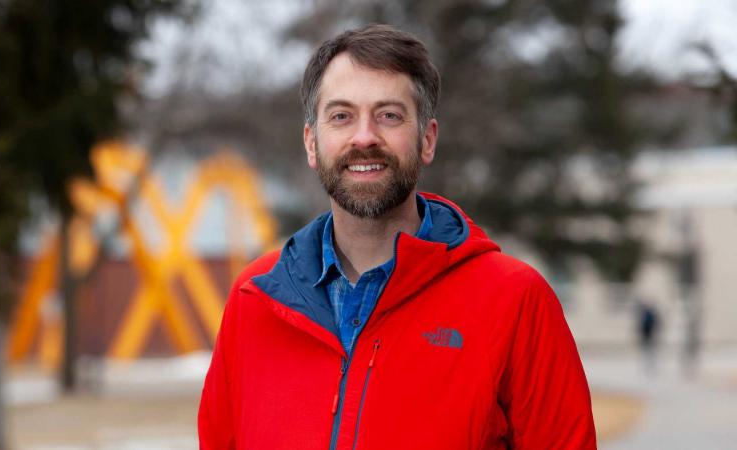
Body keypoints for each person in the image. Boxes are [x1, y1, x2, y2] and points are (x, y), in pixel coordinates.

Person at [199, 24, 596, 449]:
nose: (365, 136)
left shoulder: (514, 301)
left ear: (427, 140)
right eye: (341, 116)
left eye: (389, 115)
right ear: (312, 144)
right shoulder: (255, 299)